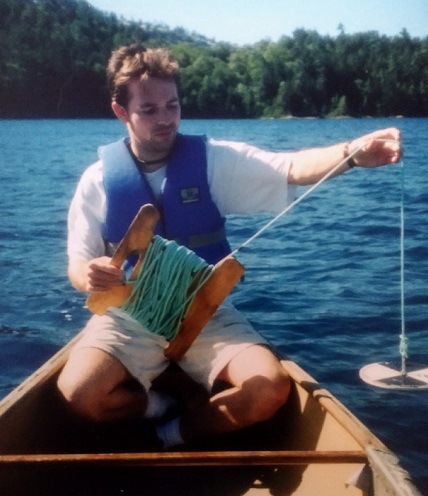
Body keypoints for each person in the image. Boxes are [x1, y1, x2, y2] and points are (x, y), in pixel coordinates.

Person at [57, 44, 401, 449]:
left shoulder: (214, 161)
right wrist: (91, 274)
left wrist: (353, 154)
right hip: (130, 313)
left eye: (173, 105)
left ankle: (171, 433)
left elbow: (290, 168)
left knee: (269, 391)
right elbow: (78, 264)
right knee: (78, 395)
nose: (166, 119)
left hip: (205, 308)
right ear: (121, 112)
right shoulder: (97, 181)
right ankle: (156, 405)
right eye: (149, 110)